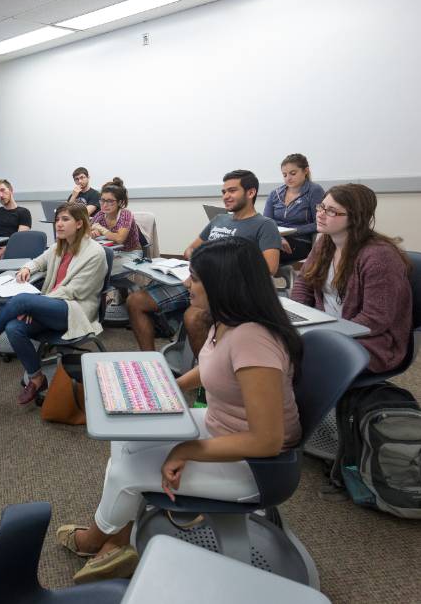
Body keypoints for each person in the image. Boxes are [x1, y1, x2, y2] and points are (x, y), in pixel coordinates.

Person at [56, 237, 303, 584]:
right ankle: (116, 540)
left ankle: (98, 540)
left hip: (260, 466)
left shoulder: (253, 339)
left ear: (224, 285)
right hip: (224, 428)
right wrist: (167, 388)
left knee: (125, 473)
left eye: (196, 279)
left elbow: (265, 440)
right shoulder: (227, 320)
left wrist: (187, 449)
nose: (187, 284)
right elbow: (213, 366)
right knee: (126, 438)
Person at [0, 203, 107, 405]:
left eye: (65, 219)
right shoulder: (60, 246)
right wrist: (26, 269)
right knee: (13, 327)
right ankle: (36, 378)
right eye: (57, 219)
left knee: (22, 300)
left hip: (75, 311)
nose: (58, 224)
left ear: (79, 223)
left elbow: (74, 291)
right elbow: (37, 262)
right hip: (53, 307)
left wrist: (35, 305)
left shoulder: (95, 253)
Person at [126, 170, 281, 355]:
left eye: (232, 191)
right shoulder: (219, 219)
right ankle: (150, 362)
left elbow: (269, 267)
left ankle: (207, 376)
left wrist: (213, 269)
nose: (226, 196)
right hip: (197, 282)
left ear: (251, 192)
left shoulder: (264, 225)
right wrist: (197, 266)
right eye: (224, 192)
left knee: (193, 317)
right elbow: (190, 250)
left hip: (228, 291)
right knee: (135, 301)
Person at [291, 183, 412, 373]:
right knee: (274, 344)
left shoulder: (379, 257)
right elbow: (304, 283)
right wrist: (297, 316)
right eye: (321, 207)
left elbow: (375, 319)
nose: (321, 214)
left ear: (355, 218)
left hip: (370, 340)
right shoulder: (325, 242)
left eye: (331, 211)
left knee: (295, 360)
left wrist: (327, 334)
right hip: (328, 326)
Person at [263, 153, 325, 263]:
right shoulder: (274, 194)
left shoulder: (315, 191)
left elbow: (319, 223)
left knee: (260, 255)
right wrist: (279, 238)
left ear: (305, 171)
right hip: (276, 239)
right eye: (284, 175)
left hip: (300, 241)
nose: (288, 178)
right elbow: (266, 223)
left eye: (293, 173)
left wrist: (293, 231)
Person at [89, 177, 142, 254]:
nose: (105, 205)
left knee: (106, 265)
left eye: (110, 201)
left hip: (130, 252)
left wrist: (101, 229)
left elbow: (120, 239)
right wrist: (93, 233)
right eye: (103, 200)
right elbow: (87, 230)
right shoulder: (100, 214)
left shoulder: (126, 214)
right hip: (111, 252)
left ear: (120, 202)